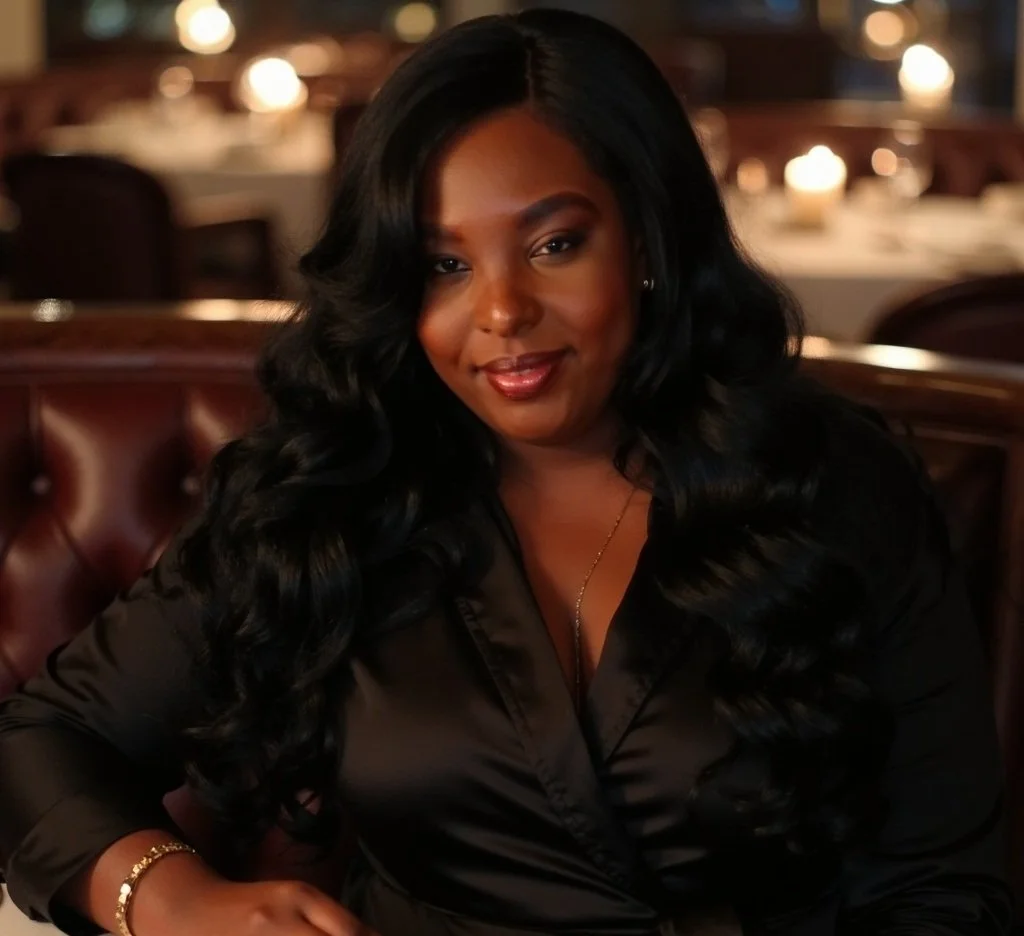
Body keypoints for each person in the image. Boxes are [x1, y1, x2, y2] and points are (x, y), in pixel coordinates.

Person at [0, 10, 1012, 936]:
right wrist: (170, 899)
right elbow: (39, 741)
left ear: (649, 238)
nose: (499, 312)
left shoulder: (832, 483)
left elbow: (942, 889)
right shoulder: (334, 487)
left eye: (554, 244)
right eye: (443, 265)